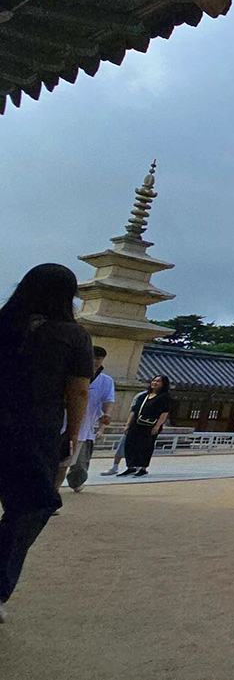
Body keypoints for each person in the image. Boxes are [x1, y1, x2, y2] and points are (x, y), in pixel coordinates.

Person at [0, 264, 92, 623]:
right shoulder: (72, 335)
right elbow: (79, 388)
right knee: (35, 503)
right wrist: (72, 434)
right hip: (32, 429)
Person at [61, 345, 114, 493]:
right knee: (61, 462)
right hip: (63, 423)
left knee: (79, 463)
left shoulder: (106, 380)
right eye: (91, 357)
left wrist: (106, 415)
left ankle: (76, 483)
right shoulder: (71, 375)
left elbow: (108, 400)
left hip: (85, 428)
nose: (94, 361)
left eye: (98, 358)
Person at [120, 375, 171, 478]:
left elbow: (164, 413)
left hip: (150, 425)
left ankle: (143, 468)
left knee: (145, 446)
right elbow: (134, 411)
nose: (155, 383)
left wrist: (157, 426)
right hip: (136, 423)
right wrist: (128, 424)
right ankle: (131, 466)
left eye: (158, 381)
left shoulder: (165, 397)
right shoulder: (144, 396)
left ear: (163, 384)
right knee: (130, 443)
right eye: (154, 380)